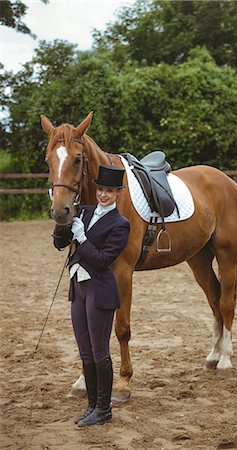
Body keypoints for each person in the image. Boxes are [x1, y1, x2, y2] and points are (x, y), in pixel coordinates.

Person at [52, 165, 130, 427]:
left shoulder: (120, 224)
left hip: (100, 289)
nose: (104, 195)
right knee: (85, 352)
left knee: (99, 352)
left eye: (110, 190)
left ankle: (104, 408)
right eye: (101, 189)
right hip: (78, 288)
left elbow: (101, 261)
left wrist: (82, 238)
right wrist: (62, 222)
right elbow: (59, 244)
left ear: (118, 193)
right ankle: (91, 406)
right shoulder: (83, 211)